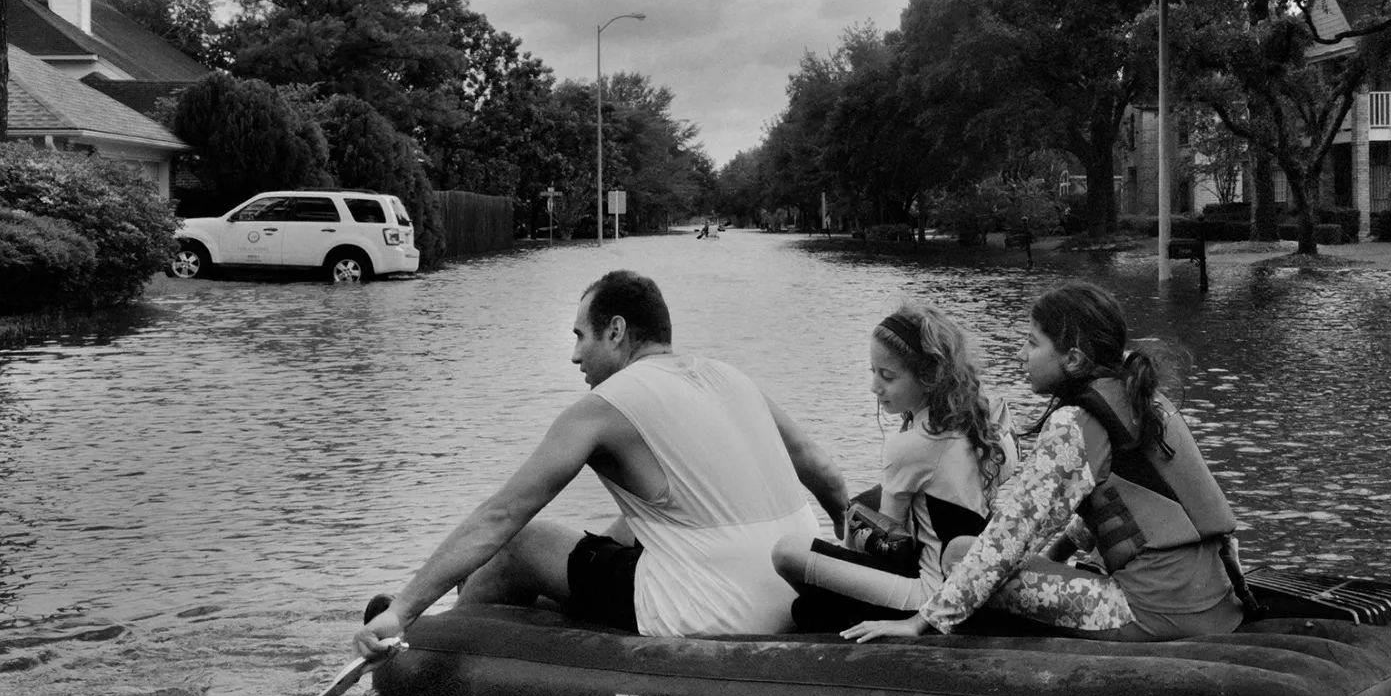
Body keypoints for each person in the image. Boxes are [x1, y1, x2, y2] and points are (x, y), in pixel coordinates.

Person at [355, 271, 848, 655]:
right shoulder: (730, 377)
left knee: (521, 546)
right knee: (632, 525)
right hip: (796, 593)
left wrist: (401, 609)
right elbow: (826, 475)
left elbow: (503, 516)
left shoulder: (605, 407)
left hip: (719, 613)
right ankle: (490, 597)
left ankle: (428, 641)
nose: (574, 357)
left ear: (615, 332)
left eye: (579, 336)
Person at [844, 280, 1248, 645]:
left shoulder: (1075, 422)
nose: (1021, 354)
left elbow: (1008, 537)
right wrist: (1054, 559)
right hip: (1215, 602)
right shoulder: (1141, 396)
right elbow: (1116, 510)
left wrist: (924, 621)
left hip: (1153, 613)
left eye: (1032, 343)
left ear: (1072, 359)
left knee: (958, 554)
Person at [770, 302, 1014, 625]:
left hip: (927, 594)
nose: (875, 386)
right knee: (863, 505)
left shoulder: (912, 445)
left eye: (887, 376)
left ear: (929, 376)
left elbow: (891, 543)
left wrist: (851, 534)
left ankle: (828, 608)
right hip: (971, 581)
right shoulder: (985, 423)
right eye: (872, 371)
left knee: (787, 552)